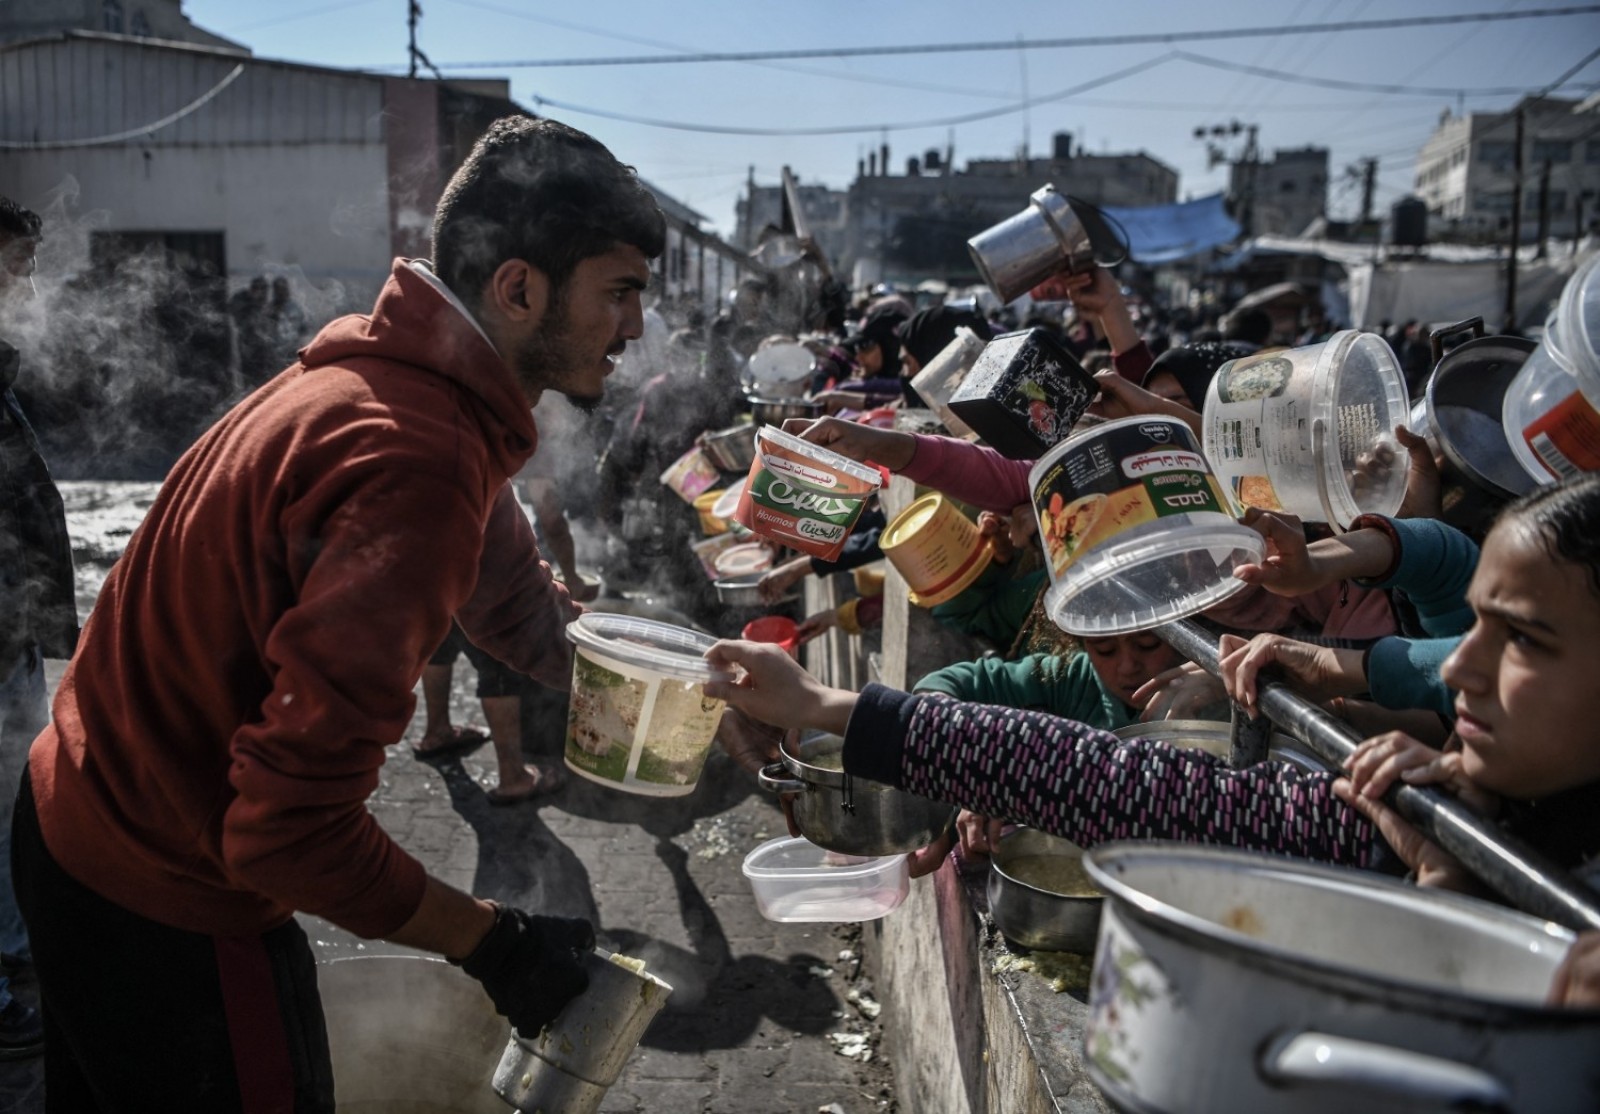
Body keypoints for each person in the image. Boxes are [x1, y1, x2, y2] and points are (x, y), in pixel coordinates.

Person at [14, 116, 665, 1107]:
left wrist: (689, 700)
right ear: (520, 288)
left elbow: (514, 601)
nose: (637, 329)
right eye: (619, 293)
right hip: (162, 897)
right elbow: (287, 833)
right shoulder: (420, 460)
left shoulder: (410, 385)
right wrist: (493, 941)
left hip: (74, 821)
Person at [704, 474, 1600, 1009]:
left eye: (1522, 639)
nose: (1455, 671)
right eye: (1466, 634)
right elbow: (1115, 783)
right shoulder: (1425, 816)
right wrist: (829, 708)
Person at [0, 197, 77, 1060]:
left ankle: (17, 963)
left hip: (10, 636)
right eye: (14, 264)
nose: (26, 283)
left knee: (13, 810)